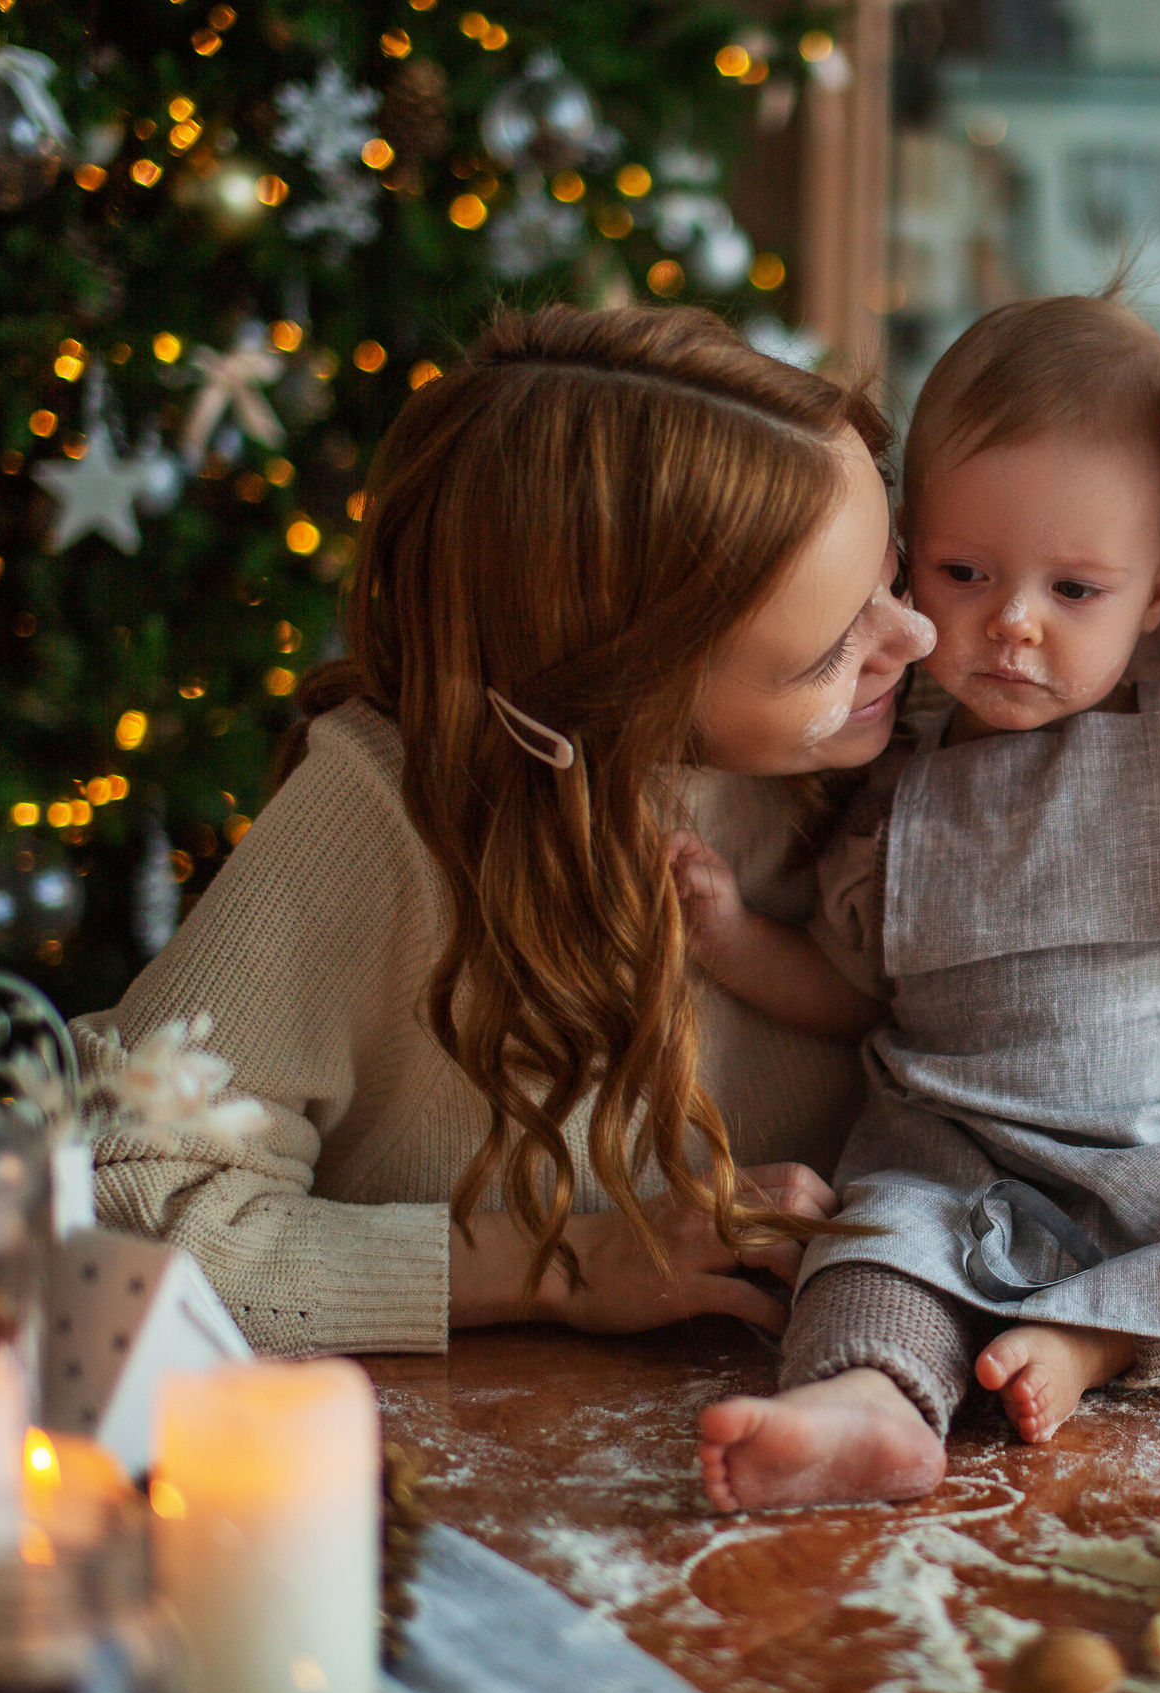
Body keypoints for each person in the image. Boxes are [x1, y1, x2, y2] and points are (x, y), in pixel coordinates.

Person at [670, 297, 1160, 1513]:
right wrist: (732, 939)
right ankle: (870, 1403)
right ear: (905, 559)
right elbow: (852, 992)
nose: (1013, 623)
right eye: (964, 573)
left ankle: (1101, 1342)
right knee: (874, 1235)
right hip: (967, 1148)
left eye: (1076, 589)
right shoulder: (897, 775)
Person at [73, 305, 936, 1356]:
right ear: (622, 691)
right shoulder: (382, 807)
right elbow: (118, 1214)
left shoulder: (914, 740)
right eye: (833, 652)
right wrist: (566, 1264)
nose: (921, 635)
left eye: (892, 572)